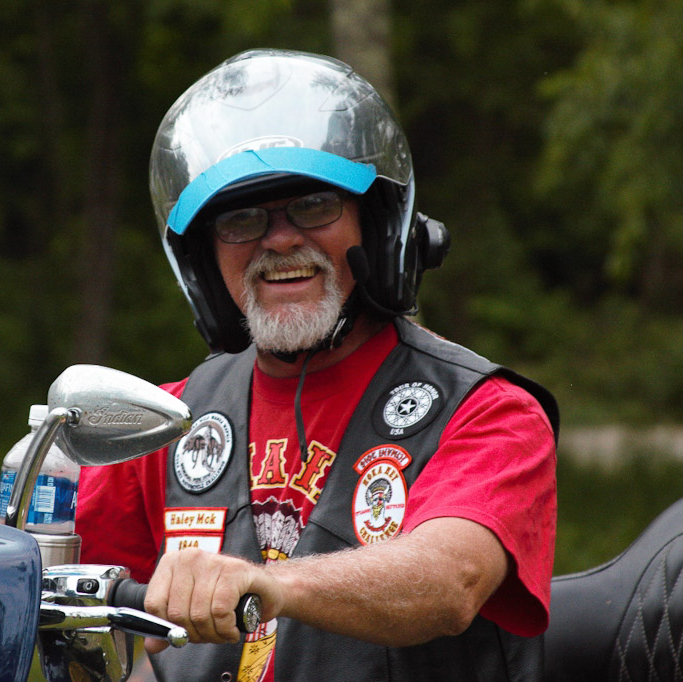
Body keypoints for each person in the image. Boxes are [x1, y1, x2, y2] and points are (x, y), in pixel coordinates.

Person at [75, 48, 558, 682]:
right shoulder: (173, 421)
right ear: (204, 262)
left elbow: (451, 579)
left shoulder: (486, 412)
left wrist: (270, 584)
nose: (279, 239)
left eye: (313, 205)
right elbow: (35, 541)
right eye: (241, 219)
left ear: (375, 226)